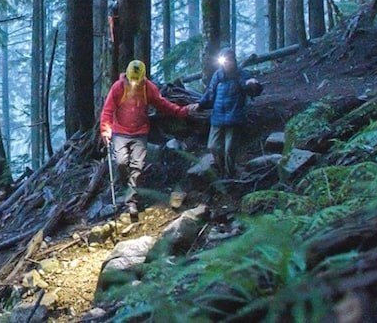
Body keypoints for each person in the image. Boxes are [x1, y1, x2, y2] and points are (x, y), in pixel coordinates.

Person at [100, 60, 197, 216]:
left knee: (137, 167)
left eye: (136, 81)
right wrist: (106, 131)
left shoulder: (148, 88)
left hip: (140, 132)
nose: (134, 84)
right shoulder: (118, 88)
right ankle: (124, 185)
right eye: (132, 80)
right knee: (121, 162)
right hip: (120, 132)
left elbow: (162, 104)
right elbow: (107, 111)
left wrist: (182, 111)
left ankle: (131, 202)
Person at [195, 48, 262, 178]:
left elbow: (251, 87)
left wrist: (252, 84)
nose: (226, 63)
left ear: (233, 60)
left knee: (229, 149)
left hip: (234, 117)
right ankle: (221, 169)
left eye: (229, 60)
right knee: (213, 146)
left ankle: (229, 174)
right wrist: (199, 104)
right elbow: (210, 93)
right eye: (224, 60)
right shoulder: (218, 76)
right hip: (218, 116)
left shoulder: (241, 75)